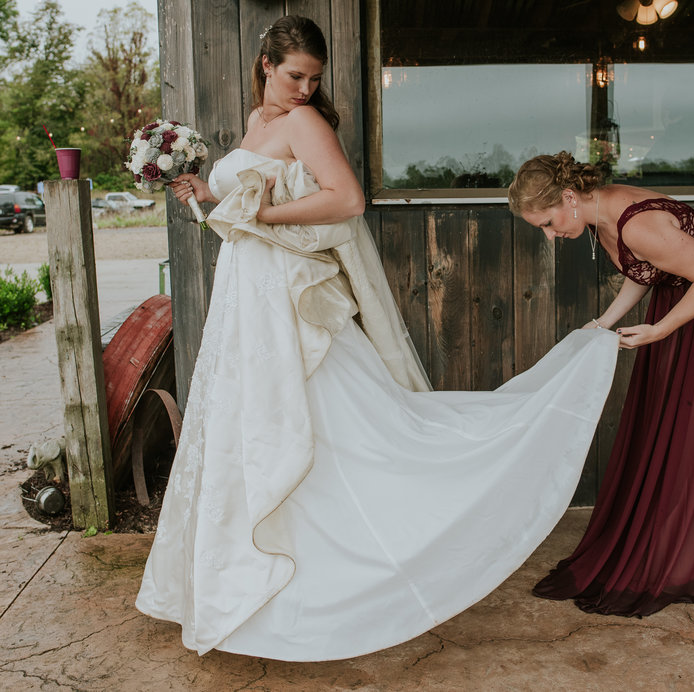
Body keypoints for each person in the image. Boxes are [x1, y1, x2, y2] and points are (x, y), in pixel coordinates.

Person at [135, 18, 620, 661]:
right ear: (265, 66)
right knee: (257, 427)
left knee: (322, 427)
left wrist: (259, 213)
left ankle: (340, 580)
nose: (306, 88)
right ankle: (260, 582)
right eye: (294, 75)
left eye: (314, 77)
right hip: (244, 296)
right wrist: (203, 193)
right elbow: (237, 219)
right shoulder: (256, 125)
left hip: (285, 297)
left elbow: (348, 201)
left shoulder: (306, 124)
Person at [508, 151, 694, 616]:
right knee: (681, 415)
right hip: (691, 293)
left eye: (547, 222)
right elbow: (645, 272)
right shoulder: (602, 217)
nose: (549, 235)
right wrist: (602, 323)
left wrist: (660, 330)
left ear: (568, 197)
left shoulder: (633, 223)